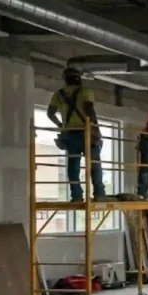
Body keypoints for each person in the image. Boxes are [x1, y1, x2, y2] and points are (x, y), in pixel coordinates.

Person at [47, 66, 108, 202]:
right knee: (94, 164)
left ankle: (76, 196)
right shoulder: (85, 91)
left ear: (66, 79)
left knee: (73, 166)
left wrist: (60, 125)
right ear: (79, 78)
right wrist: (96, 128)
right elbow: (89, 109)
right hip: (86, 133)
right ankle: (99, 193)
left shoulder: (59, 94)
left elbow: (50, 113)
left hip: (70, 134)